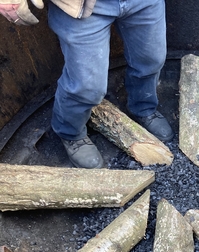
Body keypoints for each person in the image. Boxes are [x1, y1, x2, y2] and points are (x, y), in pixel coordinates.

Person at [0, 0, 174, 168]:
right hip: (78, 6)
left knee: (151, 60)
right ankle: (70, 133)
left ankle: (143, 108)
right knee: (86, 86)